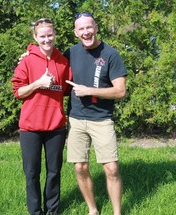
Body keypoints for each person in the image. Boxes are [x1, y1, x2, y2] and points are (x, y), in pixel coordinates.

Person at [64, 11, 127, 215]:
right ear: (76, 32)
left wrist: (90, 90)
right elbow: (47, 62)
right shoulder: (70, 53)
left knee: (111, 169)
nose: (86, 32)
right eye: (81, 29)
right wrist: (29, 53)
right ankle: (93, 210)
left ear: (96, 28)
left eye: (89, 27)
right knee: (80, 167)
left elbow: (120, 91)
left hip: (101, 120)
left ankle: (117, 212)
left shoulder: (110, 54)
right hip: (76, 119)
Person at [11, 18, 72, 215]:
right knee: (32, 174)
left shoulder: (62, 62)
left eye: (50, 35)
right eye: (42, 36)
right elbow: (18, 92)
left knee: (54, 172)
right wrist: (38, 83)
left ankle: (53, 211)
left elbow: (67, 89)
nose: (47, 39)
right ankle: (35, 212)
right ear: (35, 37)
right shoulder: (27, 61)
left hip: (56, 127)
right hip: (30, 128)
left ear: (55, 35)